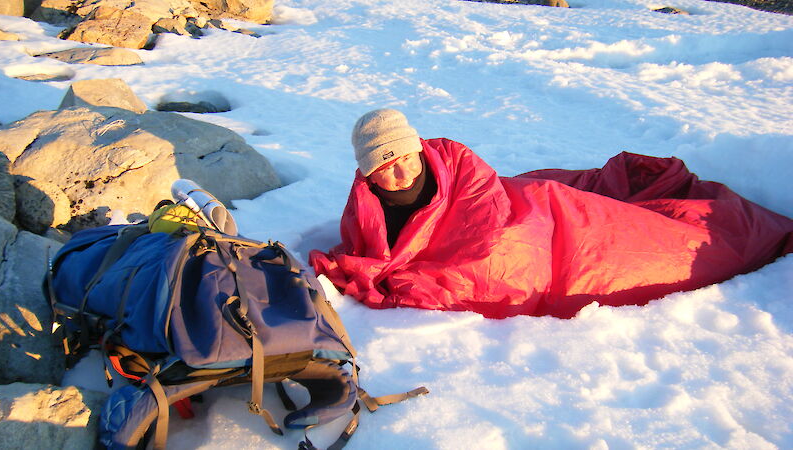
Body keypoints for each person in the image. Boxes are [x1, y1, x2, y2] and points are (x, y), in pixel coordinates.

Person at [309, 109, 793, 319]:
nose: (399, 173)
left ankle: (755, 233)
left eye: (405, 158)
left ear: (419, 148)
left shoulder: (453, 168)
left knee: (636, 237)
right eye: (385, 168)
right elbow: (367, 247)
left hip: (535, 216)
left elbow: (486, 228)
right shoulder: (364, 206)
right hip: (525, 214)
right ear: (369, 175)